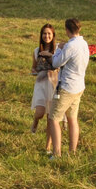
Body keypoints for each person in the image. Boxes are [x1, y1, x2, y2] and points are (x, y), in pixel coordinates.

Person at [48, 18, 89, 160]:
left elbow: (55, 62)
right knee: (72, 119)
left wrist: (59, 50)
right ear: (79, 29)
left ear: (67, 30)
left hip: (67, 87)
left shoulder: (69, 46)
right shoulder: (83, 44)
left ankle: (56, 153)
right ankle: (72, 152)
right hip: (79, 86)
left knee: (53, 118)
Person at [31, 23, 59, 151]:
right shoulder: (37, 51)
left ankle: (47, 147)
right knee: (40, 112)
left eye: (49, 34)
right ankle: (35, 121)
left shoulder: (58, 50)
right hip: (41, 84)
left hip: (53, 84)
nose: (46, 36)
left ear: (53, 36)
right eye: (44, 33)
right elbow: (34, 66)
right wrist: (33, 71)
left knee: (50, 117)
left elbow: (61, 65)